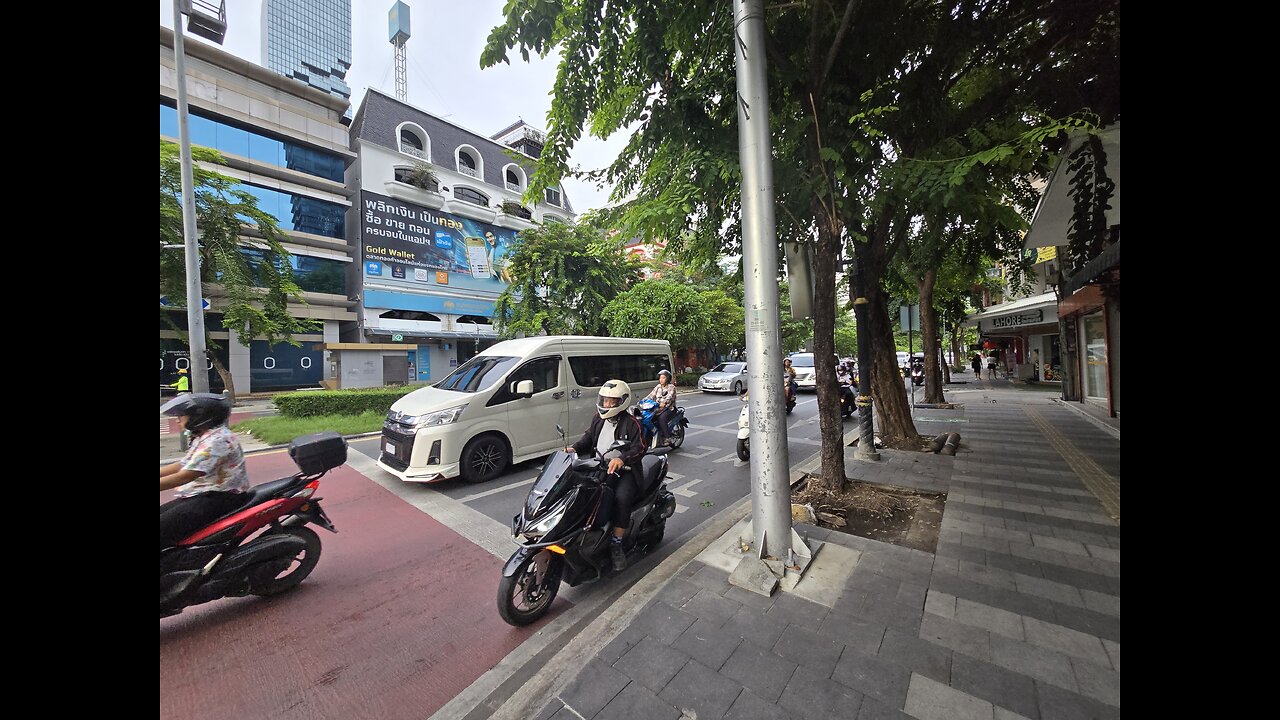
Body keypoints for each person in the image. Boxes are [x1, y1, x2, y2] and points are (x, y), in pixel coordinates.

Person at [565, 380, 646, 572]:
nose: (607, 404)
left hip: (625, 472)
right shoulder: (598, 419)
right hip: (600, 466)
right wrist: (574, 447)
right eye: (605, 400)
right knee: (580, 492)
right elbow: (588, 438)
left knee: (621, 499)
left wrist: (622, 459)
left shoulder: (632, 423)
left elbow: (640, 448)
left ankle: (616, 544)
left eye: (611, 401)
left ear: (622, 402)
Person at [160, 394, 249, 550]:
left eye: (182, 415)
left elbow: (184, 476)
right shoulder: (204, 436)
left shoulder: (217, 441)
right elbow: (183, 464)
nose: (177, 419)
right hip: (202, 495)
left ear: (200, 416)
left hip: (218, 498)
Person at [644, 369, 678, 447]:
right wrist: (643, 401)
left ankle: (667, 437)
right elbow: (650, 395)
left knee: (661, 419)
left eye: (663, 378)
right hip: (657, 408)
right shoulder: (658, 387)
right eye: (660, 378)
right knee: (646, 417)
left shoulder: (671, 387)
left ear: (668, 379)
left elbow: (669, 396)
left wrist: (664, 402)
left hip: (669, 409)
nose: (661, 380)